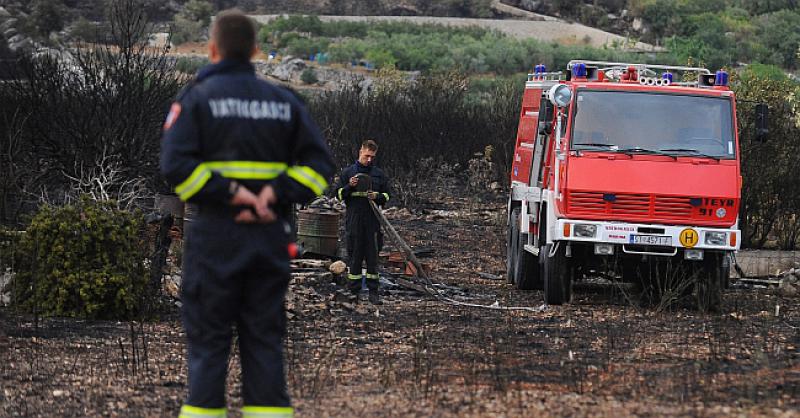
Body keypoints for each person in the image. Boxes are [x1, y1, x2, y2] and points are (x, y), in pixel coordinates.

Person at [160, 10, 334, 418]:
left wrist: (232, 193)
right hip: (268, 239)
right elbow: (318, 166)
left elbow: (176, 166)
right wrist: (274, 194)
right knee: (264, 343)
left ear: (212, 48)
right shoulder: (283, 101)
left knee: (208, 346)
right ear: (255, 51)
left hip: (214, 238)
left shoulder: (197, 99)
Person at [334, 139, 391, 305]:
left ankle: (374, 292)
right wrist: (349, 187)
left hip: (373, 221)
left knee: (372, 257)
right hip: (354, 220)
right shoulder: (348, 173)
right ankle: (354, 291)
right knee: (355, 257)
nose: (369, 160)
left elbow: (387, 195)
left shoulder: (379, 174)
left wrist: (378, 196)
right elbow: (337, 195)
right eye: (367, 156)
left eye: (372, 157)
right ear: (361, 152)